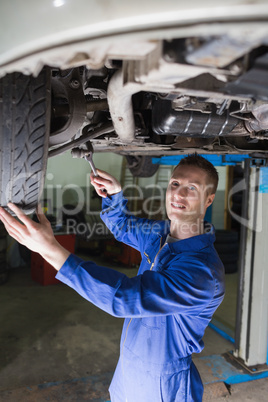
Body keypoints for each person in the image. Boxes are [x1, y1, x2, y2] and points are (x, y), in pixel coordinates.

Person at [0, 154, 225, 402]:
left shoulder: (203, 272)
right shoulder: (159, 234)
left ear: (209, 200)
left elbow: (124, 298)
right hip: (129, 370)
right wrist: (115, 194)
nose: (178, 194)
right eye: (174, 184)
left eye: (191, 188)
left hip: (164, 386)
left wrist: (50, 249)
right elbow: (123, 226)